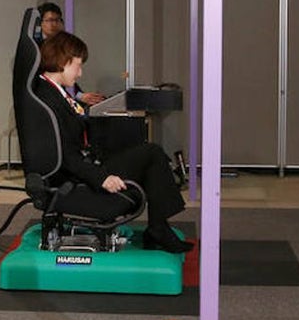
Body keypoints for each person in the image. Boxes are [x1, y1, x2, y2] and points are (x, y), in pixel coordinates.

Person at [36, 31, 191, 253]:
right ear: (63, 62)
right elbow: (64, 155)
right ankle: (158, 228)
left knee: (150, 153)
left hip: (85, 166)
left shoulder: (54, 93)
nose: (80, 73)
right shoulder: (47, 100)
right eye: (77, 66)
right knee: (152, 154)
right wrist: (103, 177)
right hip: (74, 180)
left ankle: (159, 226)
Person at [37, 2, 105, 107]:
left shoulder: (62, 43)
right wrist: (79, 96)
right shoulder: (37, 49)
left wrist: (80, 96)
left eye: (57, 20)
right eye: (50, 20)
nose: (54, 24)